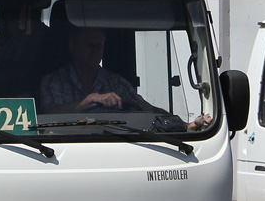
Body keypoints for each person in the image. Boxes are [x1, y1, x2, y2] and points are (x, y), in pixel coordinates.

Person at [39, 26, 211, 129]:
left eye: (100, 46)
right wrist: (89, 100)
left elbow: (148, 110)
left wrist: (186, 125)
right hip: (66, 150)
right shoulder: (54, 82)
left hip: (117, 149)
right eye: (90, 45)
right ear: (73, 46)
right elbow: (50, 114)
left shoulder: (116, 83)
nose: (96, 51)